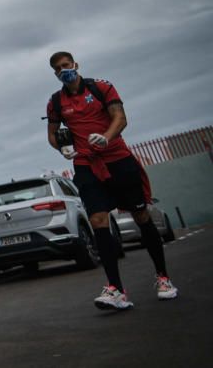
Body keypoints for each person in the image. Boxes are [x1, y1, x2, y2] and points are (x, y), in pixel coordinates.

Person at [46, 51, 178, 309]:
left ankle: (164, 278)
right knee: (98, 221)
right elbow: (52, 135)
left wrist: (106, 136)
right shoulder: (56, 102)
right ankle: (116, 290)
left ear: (76, 64)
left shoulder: (101, 87)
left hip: (118, 160)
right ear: (55, 74)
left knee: (141, 217)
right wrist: (61, 149)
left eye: (67, 65)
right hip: (86, 165)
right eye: (59, 68)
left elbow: (120, 118)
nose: (64, 70)